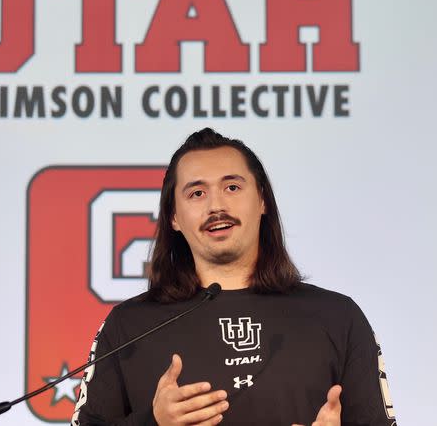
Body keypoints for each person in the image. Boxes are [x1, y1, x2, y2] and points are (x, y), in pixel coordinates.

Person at [72, 128, 397, 426]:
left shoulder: (339, 317)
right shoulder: (128, 327)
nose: (217, 205)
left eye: (232, 187)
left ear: (262, 200)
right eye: (197, 193)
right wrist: (153, 422)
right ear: (173, 216)